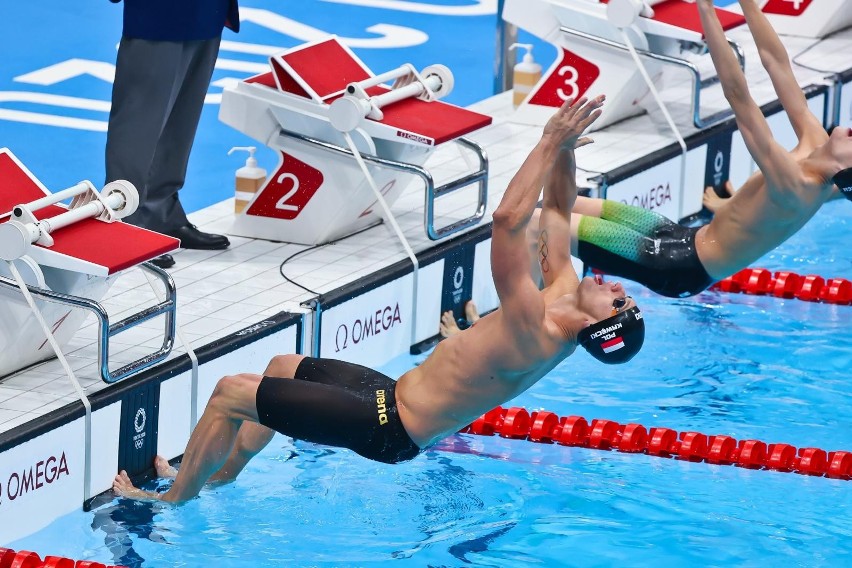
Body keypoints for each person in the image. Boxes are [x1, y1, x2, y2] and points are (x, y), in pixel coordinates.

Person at [112, 96, 647, 503]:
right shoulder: (560, 291)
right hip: (396, 396)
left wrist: (549, 140)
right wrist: (567, 153)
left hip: (387, 425)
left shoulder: (537, 329)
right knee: (282, 365)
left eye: (620, 304)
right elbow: (555, 207)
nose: (620, 289)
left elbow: (508, 220)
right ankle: (216, 476)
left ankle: (174, 502)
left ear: (600, 327)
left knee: (231, 391)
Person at [560, 0, 852, 299]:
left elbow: (738, 96)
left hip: (677, 266)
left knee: (542, 226)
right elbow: (776, 62)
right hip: (680, 235)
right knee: (556, 205)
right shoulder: (816, 142)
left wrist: (706, 9)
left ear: (844, 169)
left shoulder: (795, 184)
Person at [105, 0, 240, 268]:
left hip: (207, 10)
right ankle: (126, 225)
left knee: (183, 118)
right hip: (159, 11)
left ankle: (162, 215)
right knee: (138, 123)